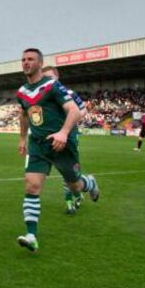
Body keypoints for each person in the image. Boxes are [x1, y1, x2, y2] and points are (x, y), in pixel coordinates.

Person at [16, 49, 99, 252]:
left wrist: (63, 132)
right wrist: (22, 138)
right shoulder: (22, 92)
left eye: (30, 59)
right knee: (32, 186)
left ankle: (90, 182)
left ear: (40, 64)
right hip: (38, 145)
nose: (26, 63)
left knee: (75, 187)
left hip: (61, 144)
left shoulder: (52, 86)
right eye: (24, 59)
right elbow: (25, 116)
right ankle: (31, 235)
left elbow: (74, 110)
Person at [41, 65, 87, 215]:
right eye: (45, 78)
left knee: (69, 171)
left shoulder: (69, 93)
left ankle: (74, 196)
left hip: (69, 137)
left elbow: (83, 109)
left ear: (57, 77)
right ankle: (71, 199)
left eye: (50, 77)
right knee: (63, 171)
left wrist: (69, 124)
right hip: (50, 138)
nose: (47, 80)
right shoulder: (43, 97)